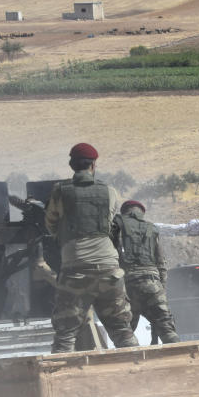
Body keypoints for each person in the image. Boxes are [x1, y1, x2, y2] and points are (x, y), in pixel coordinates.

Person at [44, 143, 139, 353]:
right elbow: (109, 222)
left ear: (71, 165)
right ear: (94, 165)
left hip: (75, 270)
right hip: (109, 269)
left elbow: (50, 224)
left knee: (66, 335)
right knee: (122, 331)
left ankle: (60, 382)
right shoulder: (109, 192)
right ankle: (140, 373)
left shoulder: (60, 192)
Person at [114, 200, 180, 345]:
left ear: (125, 211)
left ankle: (127, 363)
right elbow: (161, 264)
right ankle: (179, 357)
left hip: (127, 285)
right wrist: (160, 289)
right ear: (141, 212)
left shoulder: (117, 224)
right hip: (153, 284)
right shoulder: (152, 229)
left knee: (126, 333)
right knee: (167, 327)